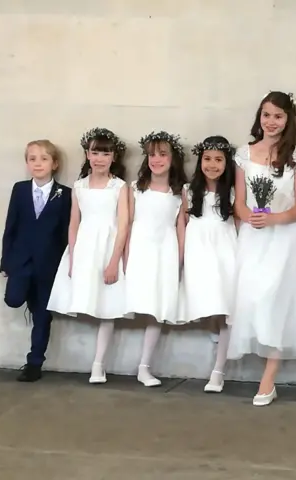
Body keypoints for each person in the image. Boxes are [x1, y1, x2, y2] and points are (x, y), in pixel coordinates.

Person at [227, 91, 296, 406]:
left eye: (278, 116)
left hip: (285, 236)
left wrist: (275, 217)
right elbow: (238, 201)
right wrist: (249, 215)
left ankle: (268, 378)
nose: (271, 122)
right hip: (254, 237)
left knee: (279, 301)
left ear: (288, 119)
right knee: (252, 296)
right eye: (266, 115)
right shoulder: (243, 154)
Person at [47, 127, 130, 384]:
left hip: (108, 246)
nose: (99, 159)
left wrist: (114, 261)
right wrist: (72, 257)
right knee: (85, 299)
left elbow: (124, 224)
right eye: (95, 152)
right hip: (84, 246)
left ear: (113, 157)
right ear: (87, 154)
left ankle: (98, 364)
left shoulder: (119, 186)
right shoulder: (79, 186)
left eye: (105, 153)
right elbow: (74, 223)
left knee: (108, 305)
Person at [0, 140, 72, 382]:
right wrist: (6, 262)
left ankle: (34, 364)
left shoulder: (65, 194)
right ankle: (27, 296)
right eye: (32, 158)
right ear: (27, 163)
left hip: (48, 265)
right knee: (13, 299)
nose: (37, 163)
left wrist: (64, 265)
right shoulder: (19, 190)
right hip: (21, 261)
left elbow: (65, 233)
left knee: (42, 316)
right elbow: (10, 226)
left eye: (43, 158)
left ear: (55, 164)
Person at [124, 131, 187, 387]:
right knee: (139, 302)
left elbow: (181, 226)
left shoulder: (179, 192)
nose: (157, 160)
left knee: (158, 309)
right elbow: (127, 224)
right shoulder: (135, 189)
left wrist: (180, 259)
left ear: (173, 159)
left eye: (163, 155)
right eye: (152, 155)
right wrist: (125, 257)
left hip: (166, 251)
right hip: (140, 249)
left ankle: (144, 366)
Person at [179, 135, 237, 393]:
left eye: (218, 160)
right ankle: (215, 331)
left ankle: (218, 371)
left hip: (225, 250)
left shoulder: (234, 192)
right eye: (207, 159)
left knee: (226, 308)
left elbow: (238, 224)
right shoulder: (189, 191)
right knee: (207, 303)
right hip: (198, 252)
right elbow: (182, 224)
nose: (212, 165)